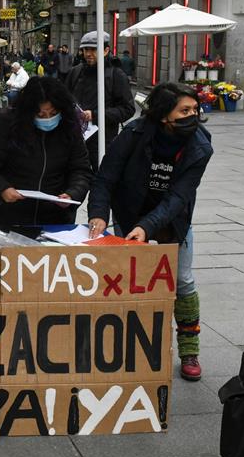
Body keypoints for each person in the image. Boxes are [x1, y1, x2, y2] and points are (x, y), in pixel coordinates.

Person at [87, 82, 213, 381]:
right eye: (184, 110)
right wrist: (99, 216)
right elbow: (105, 178)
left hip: (173, 220)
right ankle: (128, 350)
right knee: (129, 282)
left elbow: (179, 197)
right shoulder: (133, 134)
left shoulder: (200, 146)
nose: (192, 115)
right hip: (129, 213)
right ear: (163, 114)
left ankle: (189, 348)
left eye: (194, 109)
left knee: (182, 281)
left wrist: (148, 227)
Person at [0, 76, 91, 230]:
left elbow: (81, 169)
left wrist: (72, 194)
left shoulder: (69, 127)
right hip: (8, 216)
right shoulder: (9, 123)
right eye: (41, 115)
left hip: (55, 219)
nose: (48, 119)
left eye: (53, 113)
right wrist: (2, 189)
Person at [64, 31, 136, 171]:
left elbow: (128, 109)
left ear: (105, 50)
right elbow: (64, 99)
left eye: (93, 49)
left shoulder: (116, 74)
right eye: (85, 49)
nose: (88, 53)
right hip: (75, 138)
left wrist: (95, 115)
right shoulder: (75, 72)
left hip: (103, 140)